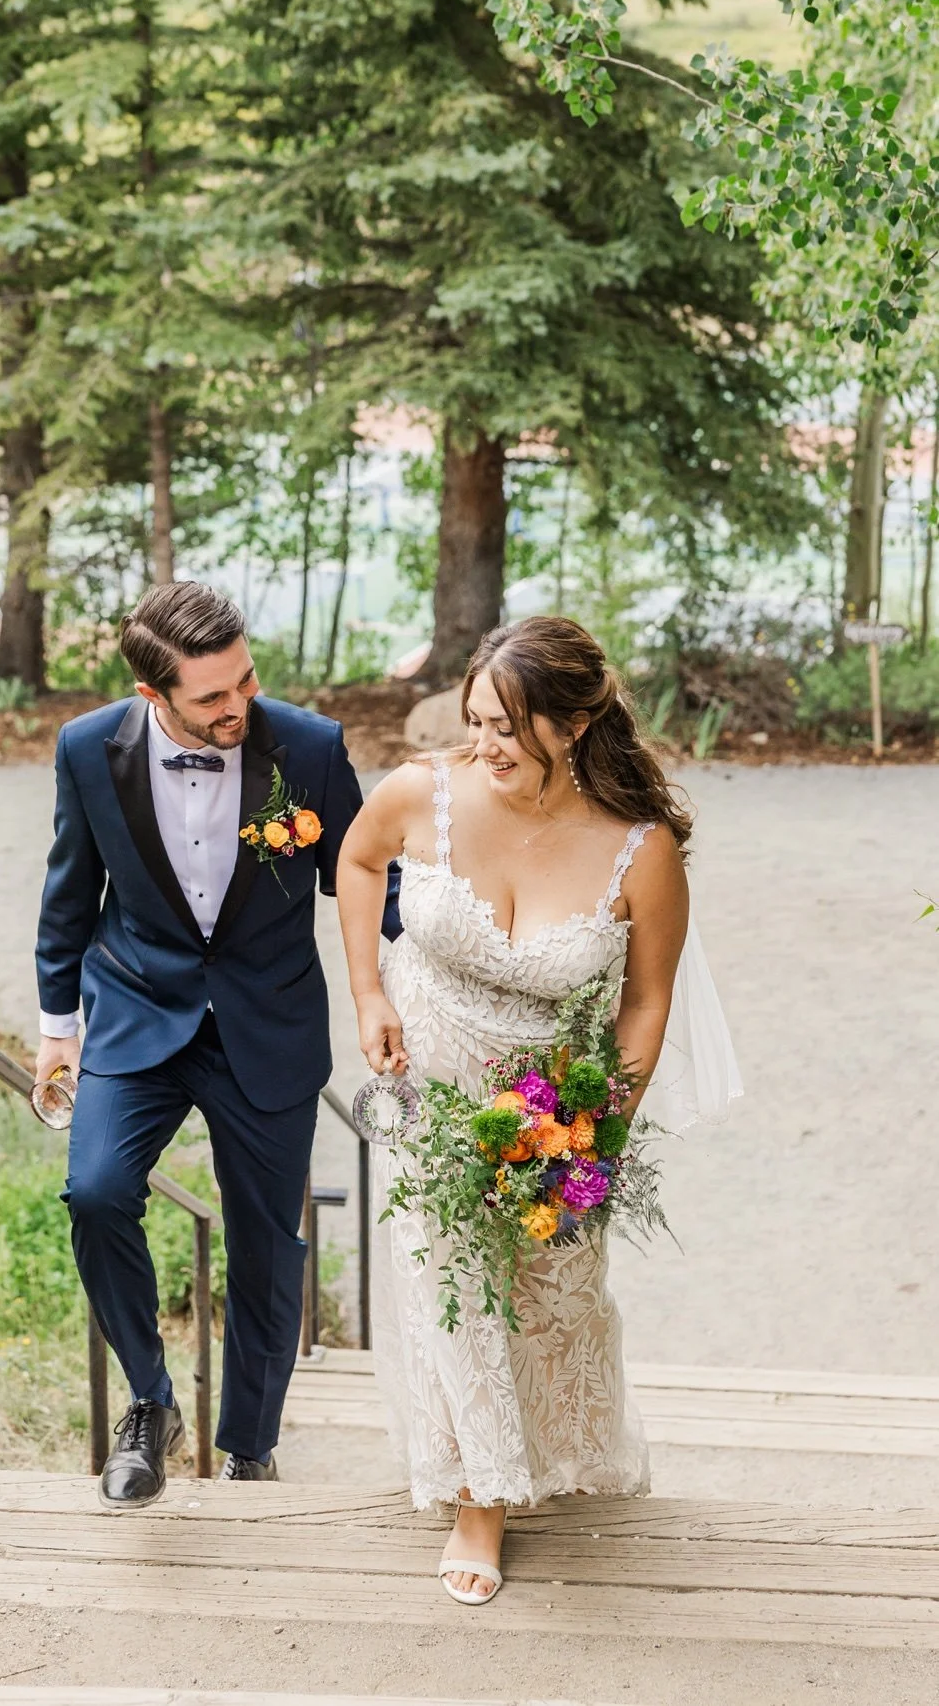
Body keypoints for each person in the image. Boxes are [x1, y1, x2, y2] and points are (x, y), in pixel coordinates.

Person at [336, 614, 738, 1607]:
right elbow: (354, 863)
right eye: (476, 720)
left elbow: (646, 1001)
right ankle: (482, 1497)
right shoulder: (418, 794)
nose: (485, 746)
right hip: (430, 1095)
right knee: (456, 1285)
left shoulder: (638, 851)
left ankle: (541, 1456)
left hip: (549, 1106)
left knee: (551, 1299)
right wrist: (369, 994)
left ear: (575, 724)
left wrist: (598, 1130)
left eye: (510, 728)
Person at [35, 580, 400, 1507]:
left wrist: (448, 957)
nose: (239, 705)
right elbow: (70, 897)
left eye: (245, 681)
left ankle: (249, 1448)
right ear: (154, 696)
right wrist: (56, 1031)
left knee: (267, 1248)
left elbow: (365, 878)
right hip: (137, 1009)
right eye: (213, 697)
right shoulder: (88, 749)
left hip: (267, 1023)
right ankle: (151, 1405)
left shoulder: (310, 747)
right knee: (97, 1191)